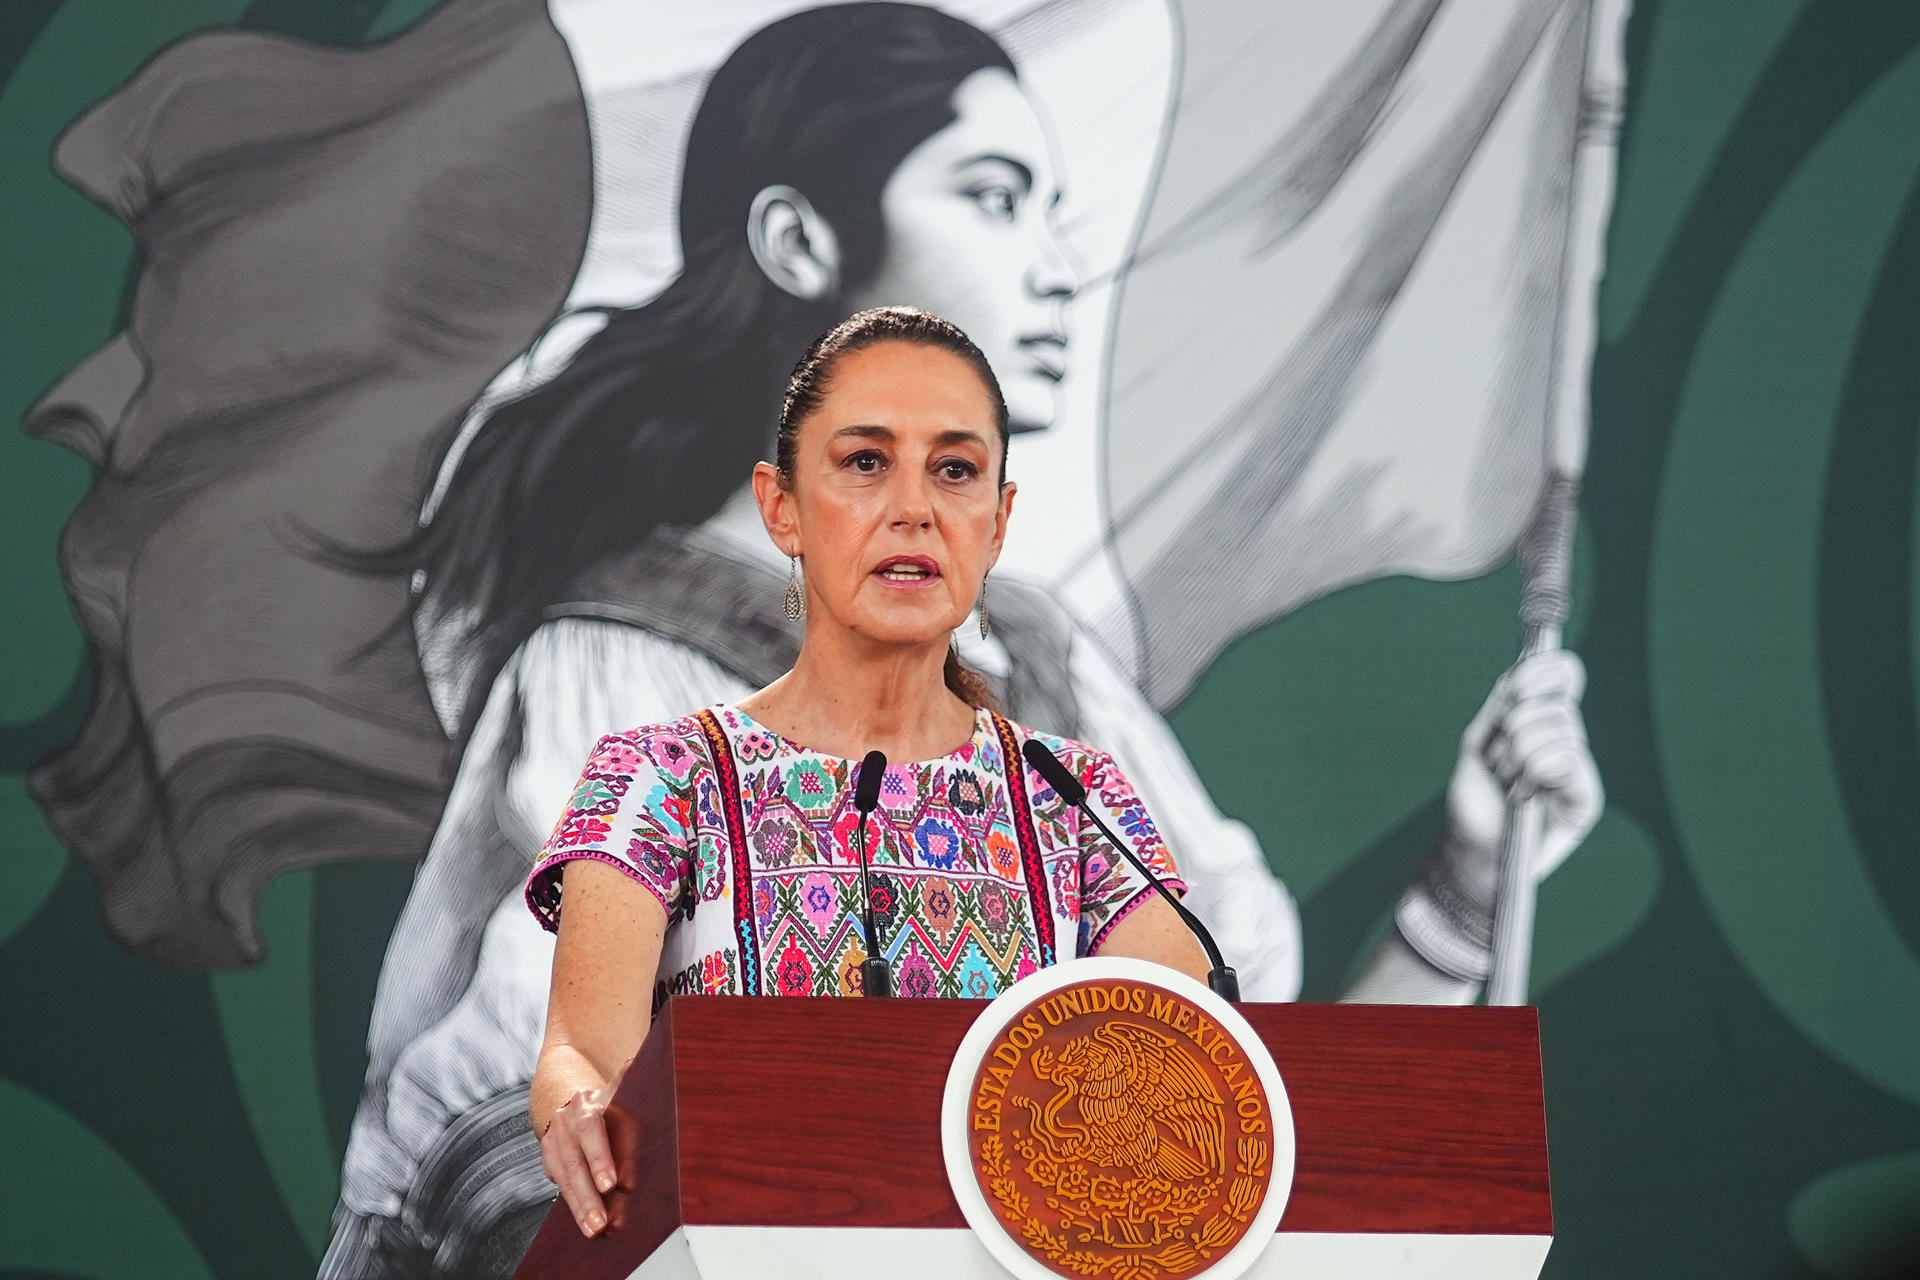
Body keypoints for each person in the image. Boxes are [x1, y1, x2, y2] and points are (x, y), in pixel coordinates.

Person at [324, 5, 1599, 1274]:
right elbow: (521, 1171)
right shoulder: (631, 697)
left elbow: (1249, 1153)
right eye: (994, 198)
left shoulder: (1064, 717)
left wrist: (1468, 882)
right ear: (799, 241)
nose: (1057, 266)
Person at [528, 306, 1210, 1233]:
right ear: (782, 508)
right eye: (864, 463)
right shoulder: (660, 778)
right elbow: (585, 1052)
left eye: (957, 471)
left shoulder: (1075, 797)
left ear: (999, 522)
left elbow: (1181, 1045)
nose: (915, 509)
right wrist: (581, 1105)